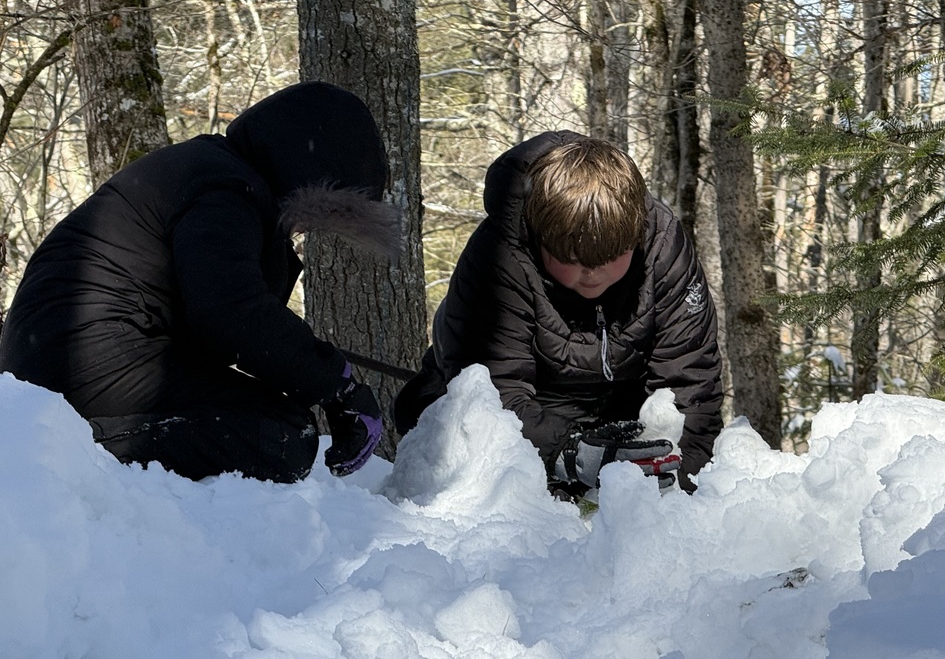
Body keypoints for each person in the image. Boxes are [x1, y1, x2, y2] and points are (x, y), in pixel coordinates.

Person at [0, 81, 398, 483]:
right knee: (275, 436)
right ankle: (77, 458)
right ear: (307, 175)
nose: (305, 229)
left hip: (65, 352)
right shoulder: (223, 190)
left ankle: (77, 449)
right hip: (78, 356)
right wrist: (335, 386)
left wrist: (320, 374)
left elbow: (221, 314)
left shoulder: (213, 170)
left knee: (275, 425)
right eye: (317, 214)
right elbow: (229, 312)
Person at [393, 131, 724, 495]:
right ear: (541, 237)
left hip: (620, 415)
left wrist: (676, 485)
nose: (593, 274)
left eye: (612, 258)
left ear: (635, 235)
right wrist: (567, 451)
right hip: (530, 416)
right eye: (573, 260)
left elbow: (691, 386)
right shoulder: (498, 259)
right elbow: (492, 393)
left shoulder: (663, 247)